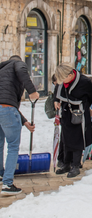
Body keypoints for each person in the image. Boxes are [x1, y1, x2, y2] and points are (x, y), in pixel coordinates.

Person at [0, 55, 38, 195]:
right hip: (7, 110)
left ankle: (1, 174)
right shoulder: (17, 64)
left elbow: (7, 103)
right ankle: (7, 184)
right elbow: (8, 106)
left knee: (0, 144)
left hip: (4, 109)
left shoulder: (2, 70)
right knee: (13, 146)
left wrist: (25, 122)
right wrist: (32, 91)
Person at [53, 63, 92, 178]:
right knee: (66, 138)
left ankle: (75, 165)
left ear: (71, 74)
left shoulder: (84, 82)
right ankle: (66, 164)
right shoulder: (62, 82)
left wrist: (85, 108)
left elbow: (91, 95)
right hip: (66, 112)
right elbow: (58, 89)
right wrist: (56, 100)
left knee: (78, 139)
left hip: (79, 113)